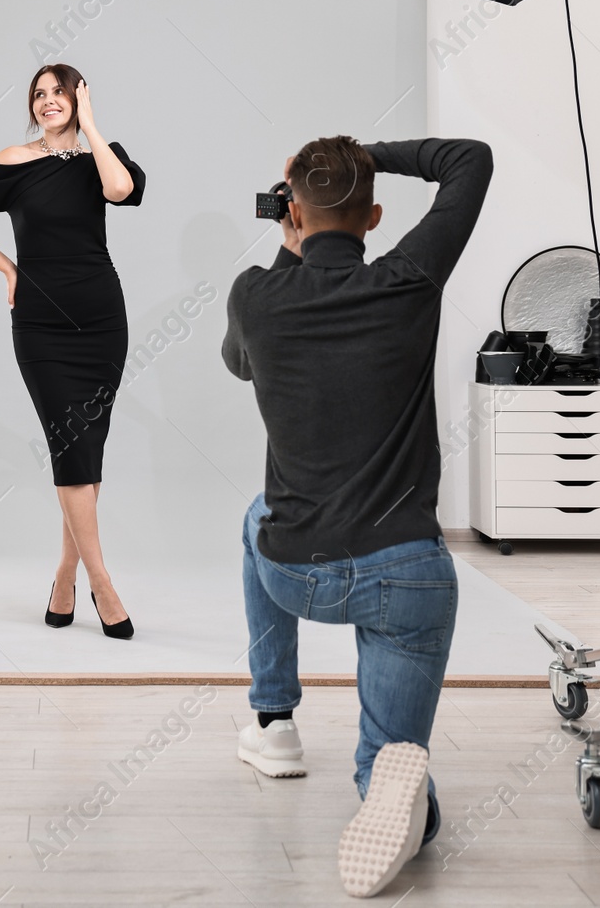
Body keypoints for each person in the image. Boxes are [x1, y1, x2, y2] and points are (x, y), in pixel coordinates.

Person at [223, 135, 492, 897]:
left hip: (294, 572)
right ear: (374, 217)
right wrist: (364, 154)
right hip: (406, 575)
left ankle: (275, 721)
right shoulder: (409, 279)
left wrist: (289, 247)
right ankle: (397, 788)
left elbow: (240, 361)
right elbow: (470, 159)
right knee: (388, 763)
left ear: (293, 213)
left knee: (254, 514)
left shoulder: (255, 293)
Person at [0, 64, 145, 639]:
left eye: (60, 92)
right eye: (40, 94)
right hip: (41, 325)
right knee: (69, 445)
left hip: (103, 318)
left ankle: (64, 574)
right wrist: (7, 267)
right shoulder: (12, 161)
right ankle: (102, 583)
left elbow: (120, 190)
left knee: (89, 448)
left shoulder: (105, 157)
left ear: (80, 97)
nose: (49, 101)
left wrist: (93, 126)